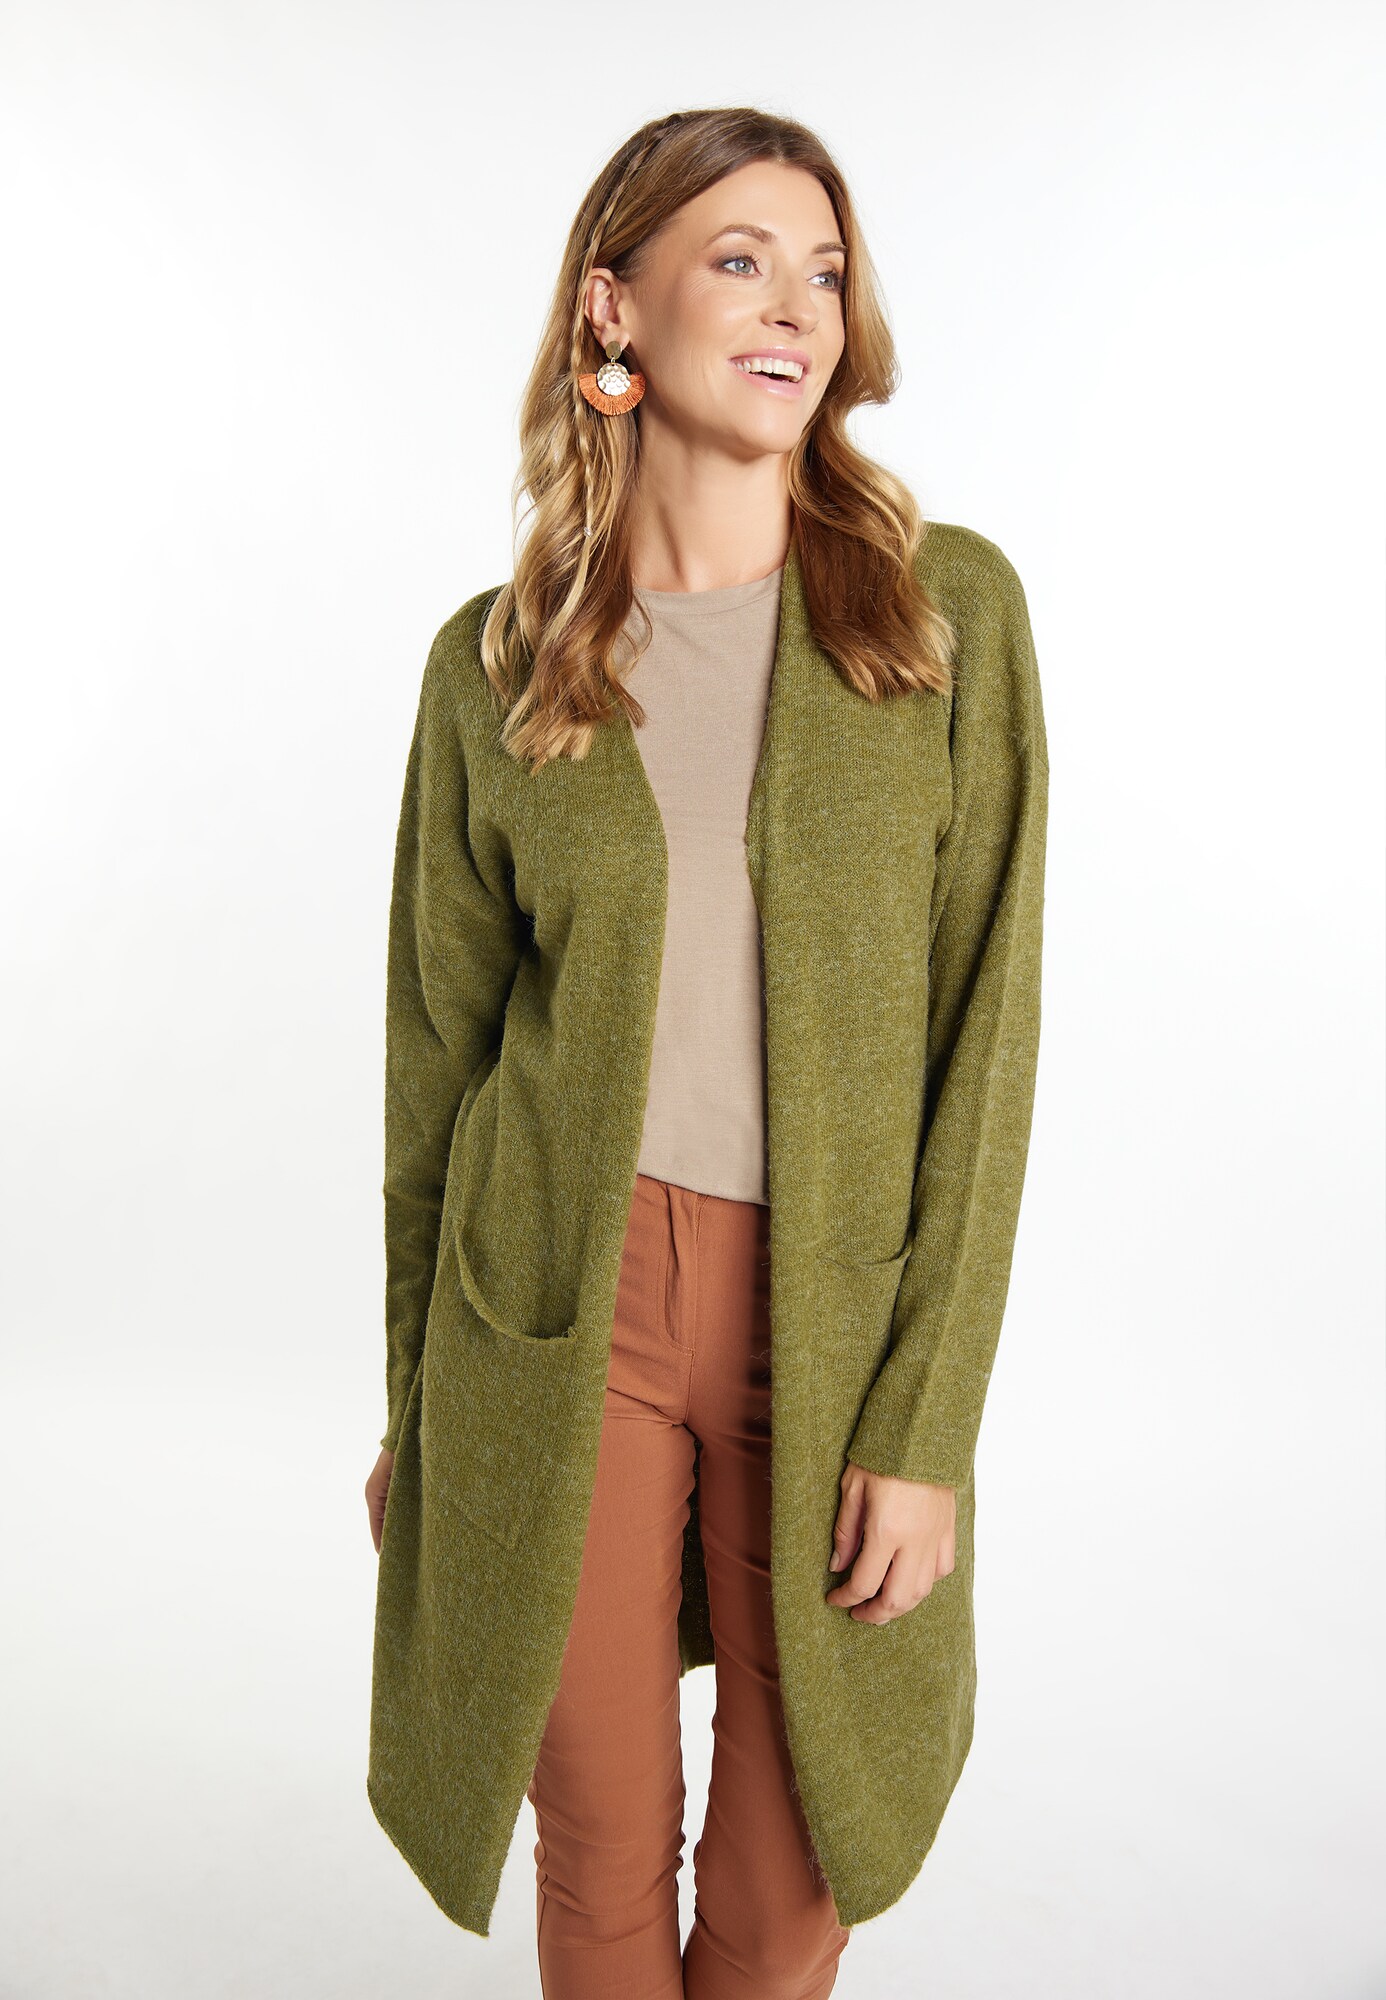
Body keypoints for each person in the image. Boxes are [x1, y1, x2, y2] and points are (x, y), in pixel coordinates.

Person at [364, 106, 1049, 2000]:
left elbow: (987, 1049)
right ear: (614, 306)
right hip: (551, 1314)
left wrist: (925, 1432)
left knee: (792, 1861)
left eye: (821, 270)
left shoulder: (941, 618)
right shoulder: (498, 666)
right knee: (595, 1840)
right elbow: (433, 1073)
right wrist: (418, 1404)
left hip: (827, 1317)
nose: (794, 308)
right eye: (737, 260)